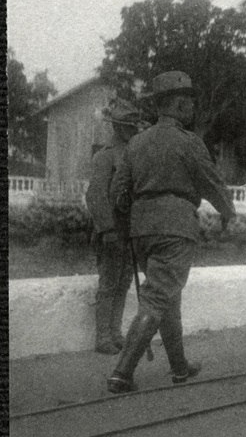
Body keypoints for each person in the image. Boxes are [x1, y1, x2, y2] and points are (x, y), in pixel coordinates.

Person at [107, 71, 236, 393]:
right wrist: (229, 214)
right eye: (189, 102)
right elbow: (212, 183)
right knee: (157, 298)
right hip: (176, 226)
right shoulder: (189, 143)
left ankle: (179, 368)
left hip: (142, 230)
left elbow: (118, 192)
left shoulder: (136, 143)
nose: (192, 108)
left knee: (168, 297)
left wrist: (127, 231)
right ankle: (122, 373)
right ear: (178, 105)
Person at [86, 99, 147, 354]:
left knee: (123, 282)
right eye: (129, 127)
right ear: (118, 128)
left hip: (129, 230)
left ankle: (115, 332)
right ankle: (102, 337)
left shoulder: (135, 154)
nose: (133, 131)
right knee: (109, 284)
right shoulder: (105, 156)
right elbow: (96, 196)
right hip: (111, 231)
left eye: (134, 127)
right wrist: (108, 229)